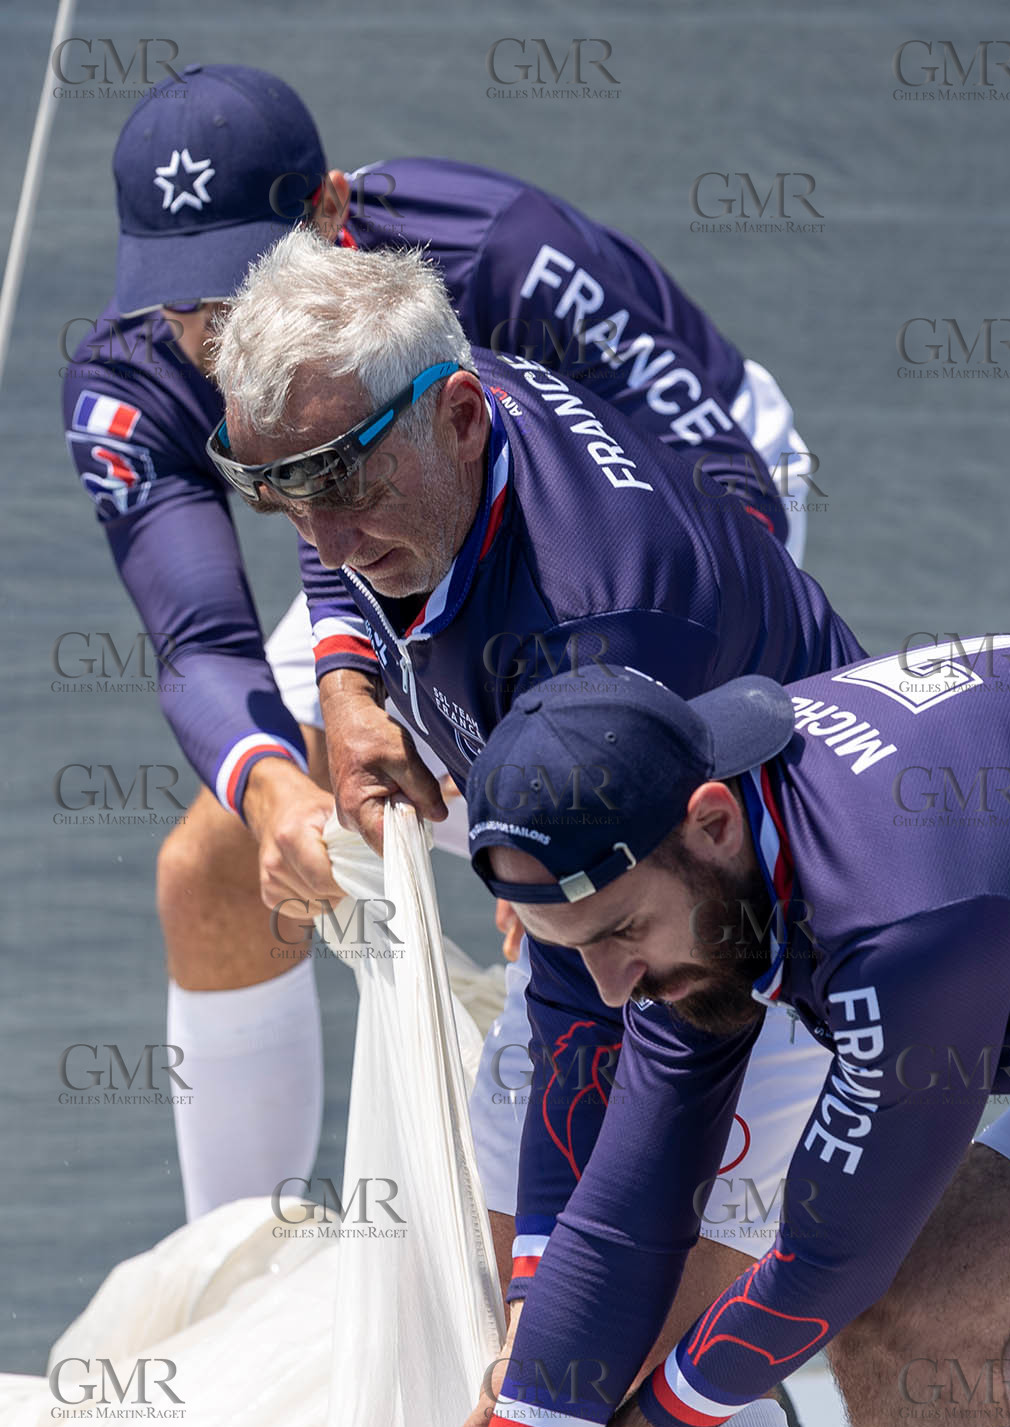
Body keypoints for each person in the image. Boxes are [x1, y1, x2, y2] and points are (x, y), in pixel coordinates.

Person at [212, 231, 863, 1427]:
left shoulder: (596, 617)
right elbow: (341, 545)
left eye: (341, 487)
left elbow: (604, 996)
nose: (323, 537)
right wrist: (344, 679)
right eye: (282, 500)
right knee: (536, 1287)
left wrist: (555, 1314)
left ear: (454, 417)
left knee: (640, 1318)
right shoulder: (423, 409)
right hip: (605, 868)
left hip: (762, 928)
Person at [61, 62, 811, 1228]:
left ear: (328, 211)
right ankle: (238, 1267)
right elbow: (204, 639)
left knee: (579, 881)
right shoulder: (130, 375)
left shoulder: (503, 250)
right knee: (213, 864)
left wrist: (559, 770)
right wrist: (280, 782)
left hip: (656, 494)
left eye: (240, 285)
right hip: (377, 516)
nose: (215, 336)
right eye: (181, 302)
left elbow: (725, 498)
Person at [419, 640, 1010, 1427]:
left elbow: (824, 1266)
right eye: (576, 951)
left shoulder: (899, 926)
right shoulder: (701, 846)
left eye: (620, 935)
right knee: (912, 1318)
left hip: (964, 916)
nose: (613, 987)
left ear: (710, 823)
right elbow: (622, 1226)